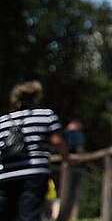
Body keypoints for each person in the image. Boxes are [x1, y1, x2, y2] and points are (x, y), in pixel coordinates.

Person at [0, 82, 66, 221]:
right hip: (34, 174)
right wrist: (67, 157)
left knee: (9, 215)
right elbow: (57, 141)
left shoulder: (2, 121)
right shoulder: (46, 115)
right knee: (29, 214)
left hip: (6, 175)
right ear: (36, 97)